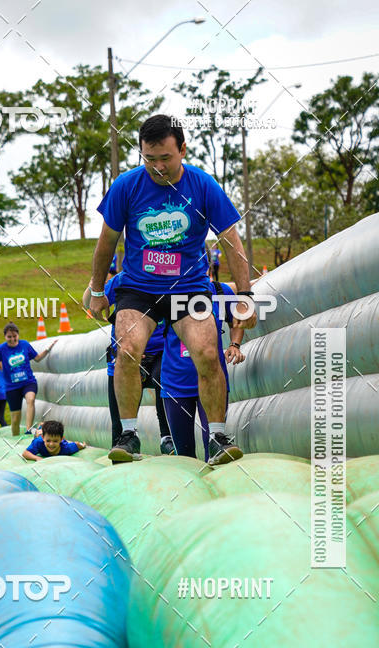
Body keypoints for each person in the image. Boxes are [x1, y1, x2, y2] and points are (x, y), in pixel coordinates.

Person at [84, 113, 255, 465]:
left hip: (189, 289)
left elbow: (232, 242)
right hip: (138, 288)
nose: (158, 167)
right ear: (141, 154)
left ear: (183, 151)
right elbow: (105, 244)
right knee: (127, 349)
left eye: (166, 158)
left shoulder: (204, 186)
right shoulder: (126, 186)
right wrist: (98, 290)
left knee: (208, 354)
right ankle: (128, 434)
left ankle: (219, 436)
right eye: (150, 159)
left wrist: (245, 296)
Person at [161, 282, 253, 460]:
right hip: (175, 383)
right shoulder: (167, 289)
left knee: (214, 447)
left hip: (214, 381)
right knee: (184, 453)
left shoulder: (220, 291)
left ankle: (214, 485)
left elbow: (237, 320)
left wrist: (234, 345)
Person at [105, 275, 174, 454]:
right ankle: (124, 444)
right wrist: (93, 288)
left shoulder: (168, 277)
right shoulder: (122, 279)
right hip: (126, 357)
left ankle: (167, 438)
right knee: (117, 421)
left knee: (163, 378)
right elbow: (94, 302)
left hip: (158, 354)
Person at [0, 323, 55, 437]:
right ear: (5, 337)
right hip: (12, 387)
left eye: (14, 336)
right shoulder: (1, 349)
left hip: (28, 382)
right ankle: (15, 439)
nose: (12, 339)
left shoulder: (24, 345)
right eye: (9, 337)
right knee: (15, 419)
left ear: (18, 335)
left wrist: (48, 349)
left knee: (30, 400)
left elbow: (37, 358)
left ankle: (28, 429)